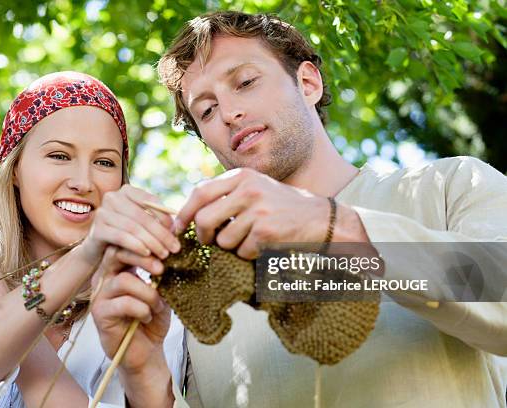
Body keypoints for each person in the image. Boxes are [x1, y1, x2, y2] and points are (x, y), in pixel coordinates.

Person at [92, 10, 507, 408]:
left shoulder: (448, 186)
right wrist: (145, 377)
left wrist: (335, 226)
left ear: (308, 82)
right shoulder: (208, 286)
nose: (230, 113)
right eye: (207, 110)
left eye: (245, 81)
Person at [0, 71, 185, 407]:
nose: (83, 182)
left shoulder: (146, 298)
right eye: (59, 155)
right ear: (15, 169)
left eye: (104, 162)